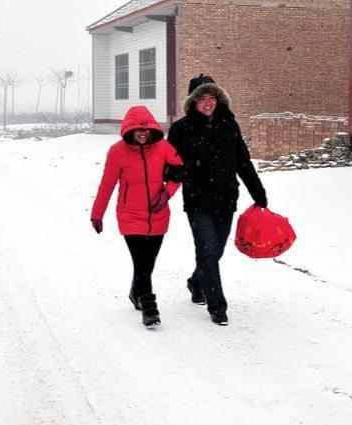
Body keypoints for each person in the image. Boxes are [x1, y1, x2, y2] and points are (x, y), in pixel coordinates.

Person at [167, 74, 268, 326]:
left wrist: (258, 193)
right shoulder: (181, 129)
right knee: (208, 249)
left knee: (216, 250)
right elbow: (168, 164)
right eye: (202, 98)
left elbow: (242, 162)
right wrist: (175, 175)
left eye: (212, 97)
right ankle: (217, 306)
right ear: (193, 102)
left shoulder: (229, 125)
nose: (208, 102)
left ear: (219, 99)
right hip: (197, 200)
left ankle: (196, 282)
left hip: (225, 199)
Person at [91, 105, 183, 327]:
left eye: (146, 129)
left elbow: (180, 171)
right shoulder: (117, 151)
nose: (142, 133)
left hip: (158, 215)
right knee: (141, 263)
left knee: (147, 264)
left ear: (152, 129)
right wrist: (97, 213)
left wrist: (166, 195)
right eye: (138, 130)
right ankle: (149, 308)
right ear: (129, 130)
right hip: (130, 216)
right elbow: (107, 185)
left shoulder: (163, 147)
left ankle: (136, 292)